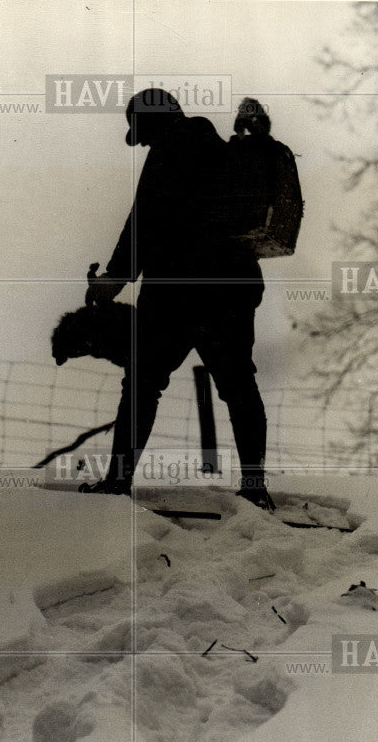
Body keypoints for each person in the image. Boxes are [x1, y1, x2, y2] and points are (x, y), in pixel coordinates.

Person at [83, 87, 275, 512]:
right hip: (233, 290)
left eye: (142, 133)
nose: (144, 143)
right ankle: (256, 488)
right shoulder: (221, 150)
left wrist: (113, 280)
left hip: (177, 295)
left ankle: (117, 483)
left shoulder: (171, 147)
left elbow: (145, 219)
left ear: (152, 122)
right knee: (239, 386)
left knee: (142, 384)